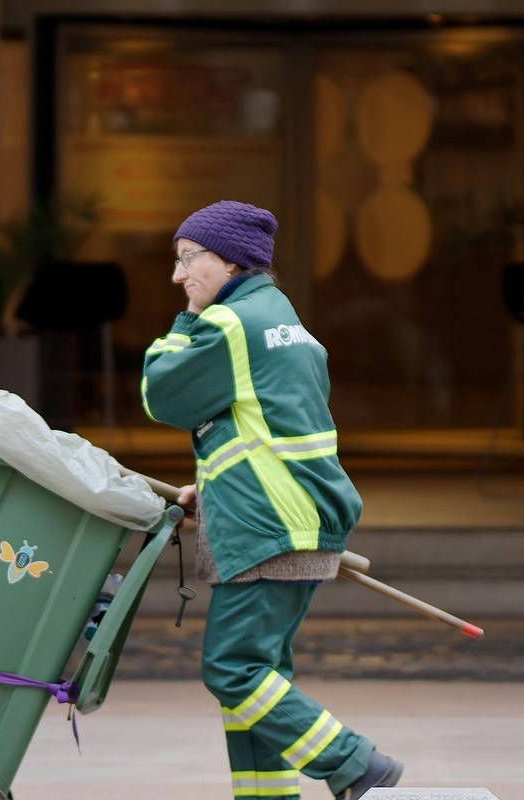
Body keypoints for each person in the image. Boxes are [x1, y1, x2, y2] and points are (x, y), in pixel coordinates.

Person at [141, 200, 404, 800]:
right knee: (261, 678)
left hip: (268, 526)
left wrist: (183, 323)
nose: (178, 277)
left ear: (230, 260)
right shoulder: (279, 316)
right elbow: (261, 425)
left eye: (188, 260)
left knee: (232, 670)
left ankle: (356, 765)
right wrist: (213, 487)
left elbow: (162, 395)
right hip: (290, 516)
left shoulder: (229, 325)